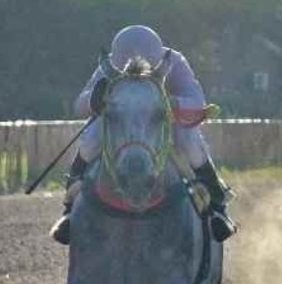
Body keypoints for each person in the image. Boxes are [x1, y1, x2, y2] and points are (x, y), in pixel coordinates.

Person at [49, 25, 236, 245]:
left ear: (157, 59)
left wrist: (170, 104)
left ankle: (217, 205)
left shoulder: (175, 62)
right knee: (92, 137)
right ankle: (70, 210)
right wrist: (94, 99)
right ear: (119, 60)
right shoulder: (109, 67)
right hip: (123, 123)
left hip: (163, 121)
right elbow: (80, 105)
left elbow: (198, 102)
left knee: (189, 139)